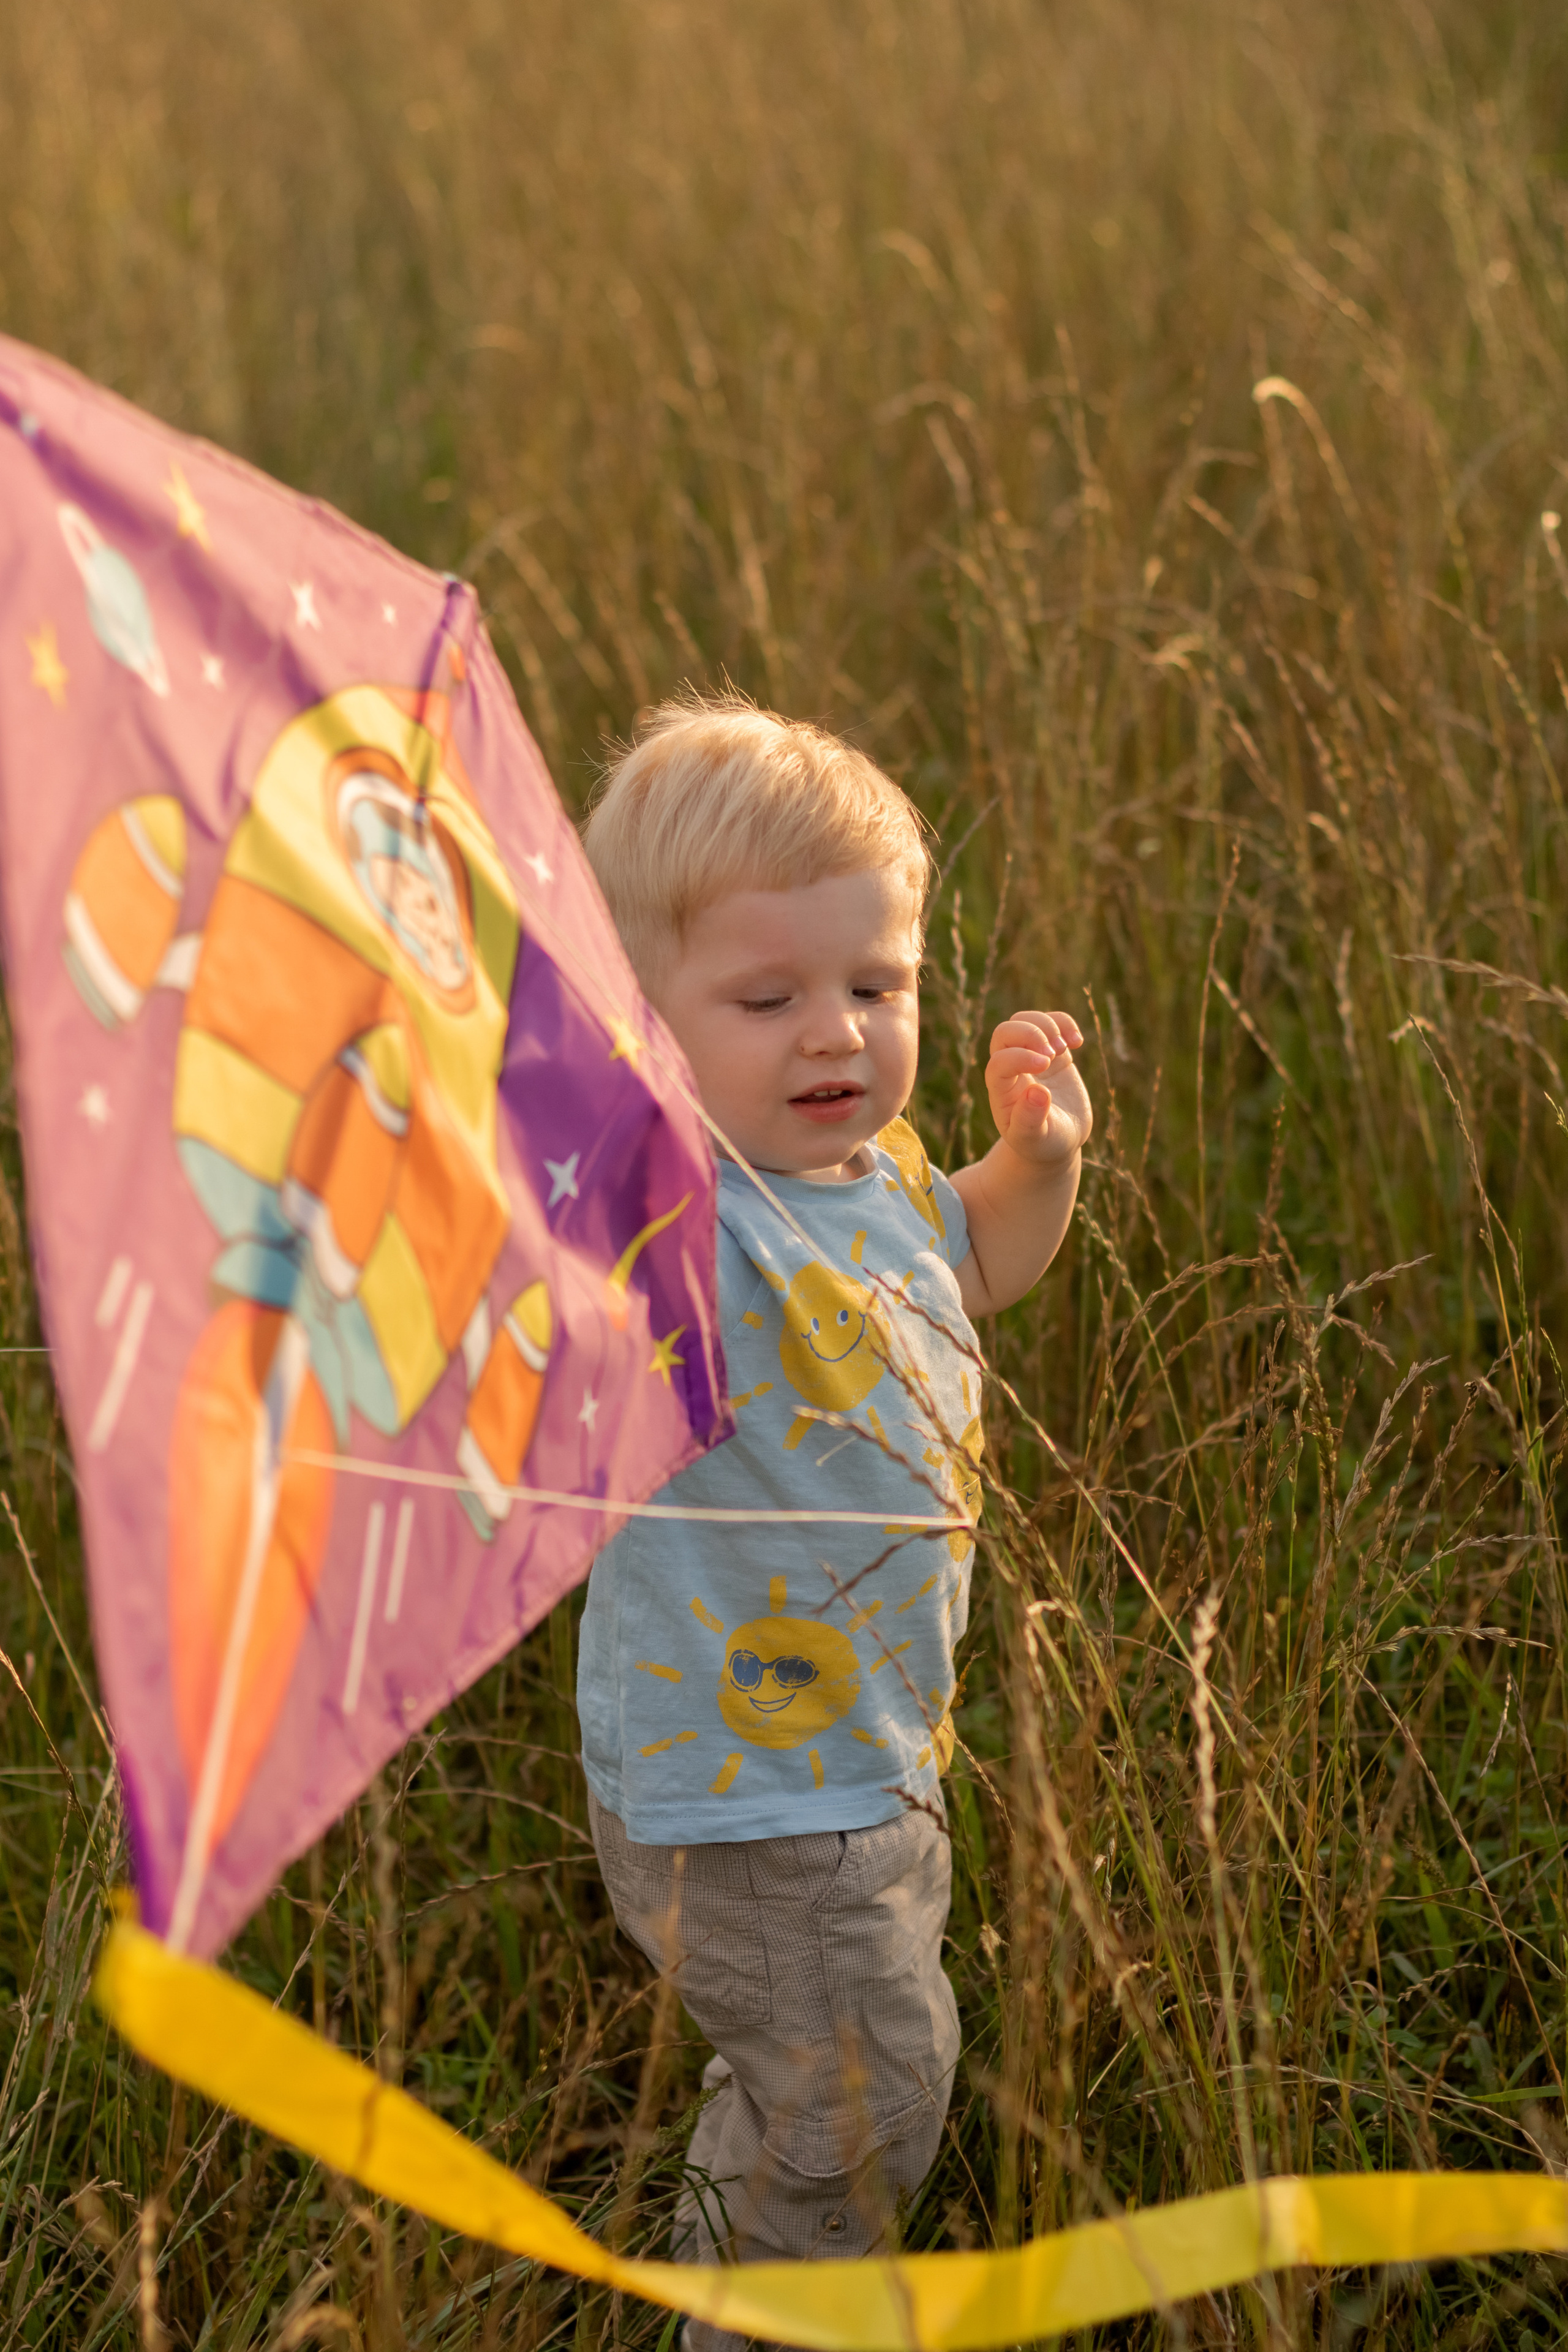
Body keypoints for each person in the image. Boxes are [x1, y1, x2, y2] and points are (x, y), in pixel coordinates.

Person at [575, 693, 1092, 2346]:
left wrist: (1042, 1157)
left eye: (879, 988)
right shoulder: (682, 1222)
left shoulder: (869, 1180)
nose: (837, 1037)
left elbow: (975, 1264)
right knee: (870, 2095)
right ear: (644, 1026)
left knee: (827, 2057)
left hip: (863, 1750)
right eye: (769, 997)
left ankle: (751, 2219)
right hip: (752, 1792)